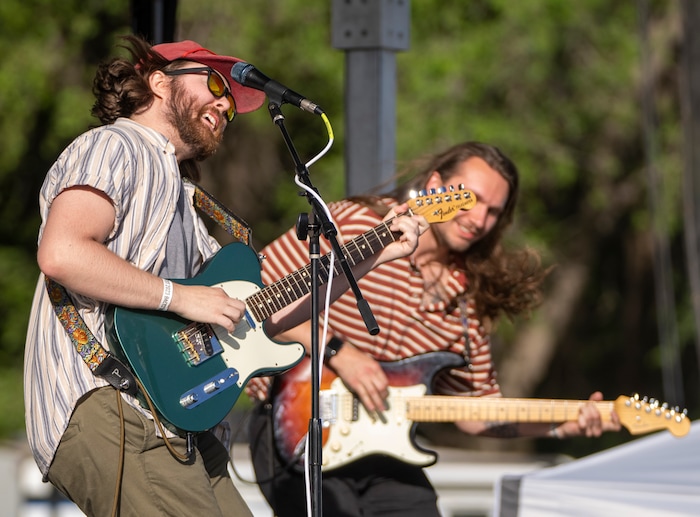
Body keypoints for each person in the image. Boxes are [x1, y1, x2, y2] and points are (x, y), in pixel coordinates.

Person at [23, 35, 427, 517]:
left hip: (178, 416)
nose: (224, 103)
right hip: (112, 401)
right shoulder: (116, 144)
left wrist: (374, 256)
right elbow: (63, 252)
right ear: (157, 80)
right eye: (213, 83)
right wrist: (181, 298)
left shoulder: (183, 197)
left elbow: (264, 319)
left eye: (231, 106)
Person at [245, 141, 623, 517]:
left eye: (494, 211)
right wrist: (338, 352)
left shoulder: (466, 297)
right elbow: (258, 294)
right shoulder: (359, 223)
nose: (479, 219)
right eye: (472, 199)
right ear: (436, 185)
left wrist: (559, 426)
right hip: (295, 425)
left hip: (385, 448)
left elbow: (478, 411)